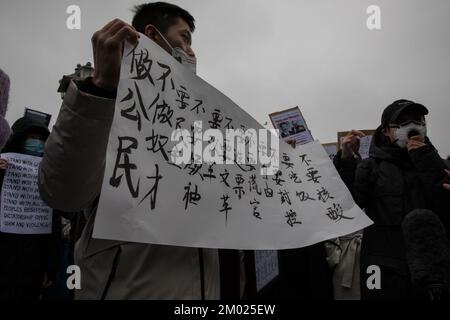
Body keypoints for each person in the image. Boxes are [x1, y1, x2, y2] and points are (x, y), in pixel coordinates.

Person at [38, 2, 222, 299]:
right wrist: (99, 89)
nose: (191, 52)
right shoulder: (106, 106)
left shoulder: (201, 122)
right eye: (185, 38)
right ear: (152, 34)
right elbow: (62, 192)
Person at [333, 99, 450, 299]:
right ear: (387, 130)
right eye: (403, 122)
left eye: (419, 120)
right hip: (381, 268)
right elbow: (348, 206)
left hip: (433, 270)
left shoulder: (441, 166)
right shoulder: (369, 168)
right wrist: (345, 160)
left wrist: (426, 161)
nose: (413, 126)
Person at [0, 116, 61, 300]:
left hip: (33, 265)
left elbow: (54, 225)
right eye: (31, 138)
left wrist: (50, 267)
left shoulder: (49, 178)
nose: (37, 144)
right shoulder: (2, 168)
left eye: (42, 140)